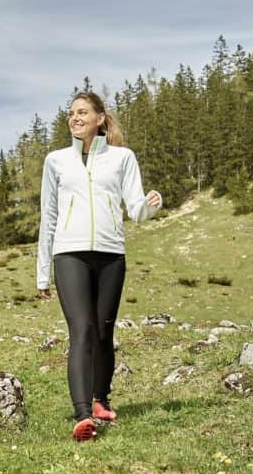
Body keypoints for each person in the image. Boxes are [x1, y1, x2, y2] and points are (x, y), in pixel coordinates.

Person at [37, 91, 162, 442]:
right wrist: (42, 271)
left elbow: (135, 209)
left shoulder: (122, 158)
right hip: (69, 254)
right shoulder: (56, 161)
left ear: (100, 118)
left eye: (82, 112)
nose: (74, 118)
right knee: (83, 329)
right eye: (71, 113)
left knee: (105, 331)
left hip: (110, 254)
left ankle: (100, 400)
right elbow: (48, 216)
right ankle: (81, 415)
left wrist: (153, 205)